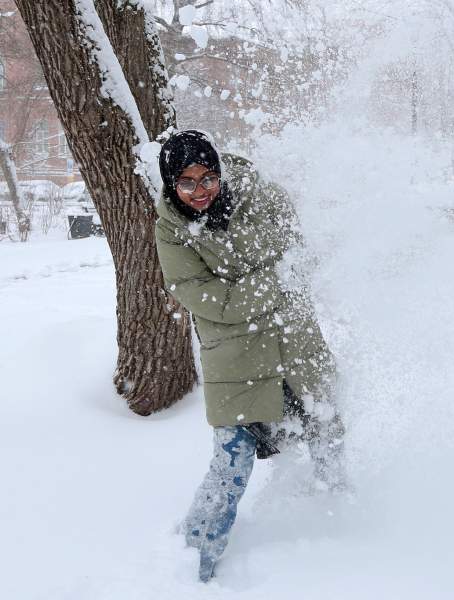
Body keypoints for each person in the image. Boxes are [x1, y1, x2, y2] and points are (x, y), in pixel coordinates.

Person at [154, 130, 347, 582]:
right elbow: (197, 293)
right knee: (233, 457)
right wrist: (267, 285)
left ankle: (337, 527)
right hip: (234, 358)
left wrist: (259, 286)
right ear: (171, 185)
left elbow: (299, 255)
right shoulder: (170, 228)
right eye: (186, 182)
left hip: (297, 342)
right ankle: (192, 561)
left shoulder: (262, 195)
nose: (200, 191)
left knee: (326, 429)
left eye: (208, 178)